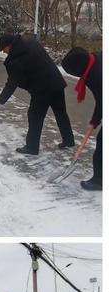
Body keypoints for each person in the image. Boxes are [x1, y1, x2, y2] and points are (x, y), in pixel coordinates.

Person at [0, 34, 75, 155]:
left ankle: (32, 147)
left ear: (10, 46)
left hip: (42, 89)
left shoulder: (16, 59)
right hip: (56, 82)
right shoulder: (30, 42)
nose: (4, 52)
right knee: (60, 113)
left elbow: (11, 83)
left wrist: (0, 101)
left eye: (4, 49)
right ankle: (69, 140)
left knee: (34, 116)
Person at [61, 47, 102, 191]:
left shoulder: (96, 74)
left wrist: (95, 120)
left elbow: (102, 100)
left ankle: (99, 180)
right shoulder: (95, 59)